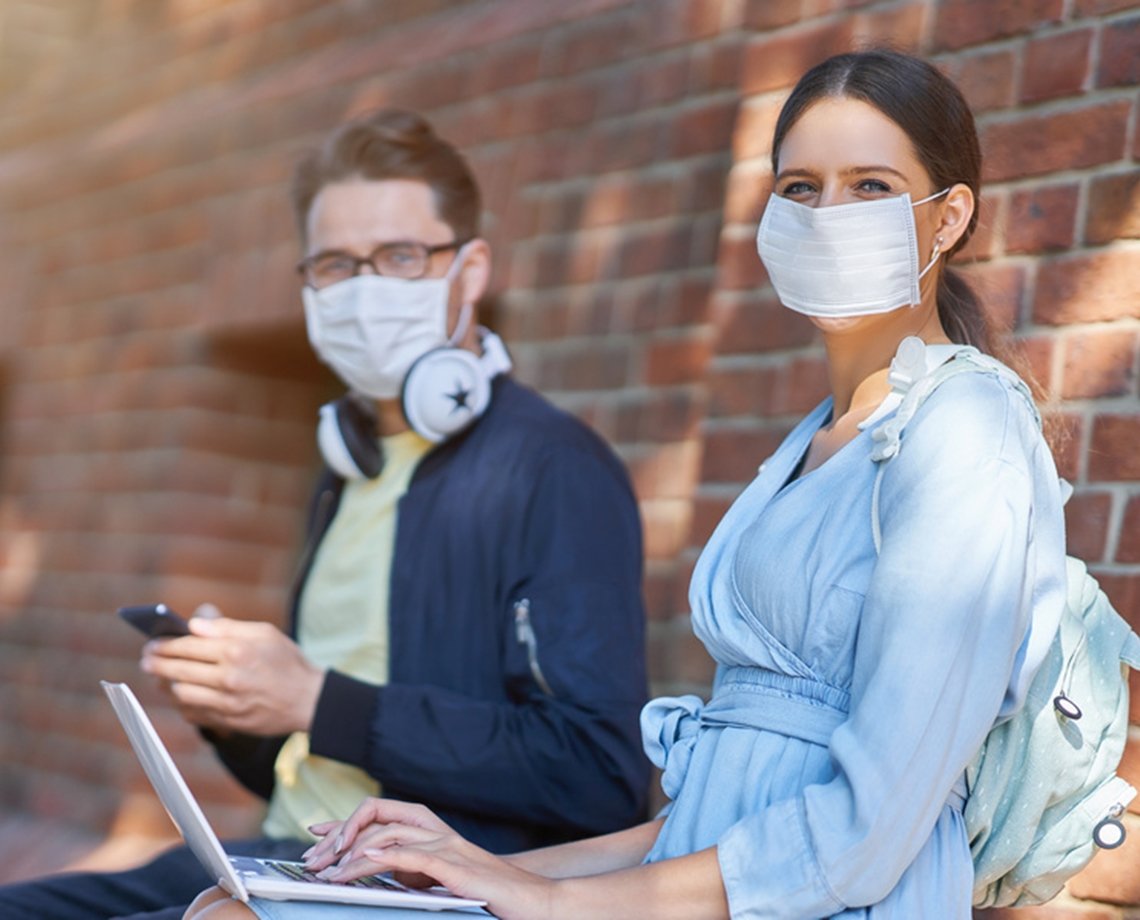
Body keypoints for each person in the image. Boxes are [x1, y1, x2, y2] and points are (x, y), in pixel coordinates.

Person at [185, 47, 1069, 920]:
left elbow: (865, 832)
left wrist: (557, 903)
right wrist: (473, 868)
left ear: (948, 218)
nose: (827, 213)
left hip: (821, 902)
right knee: (226, 909)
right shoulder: (813, 440)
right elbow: (706, 815)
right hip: (684, 884)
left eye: (869, 186)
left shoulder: (966, 429)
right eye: (800, 188)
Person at [0, 110, 650, 920]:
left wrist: (315, 698)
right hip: (288, 856)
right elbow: (323, 764)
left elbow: (595, 774)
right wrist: (238, 713)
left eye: (401, 257)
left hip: (421, 887)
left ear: (471, 270)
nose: (365, 287)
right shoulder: (346, 466)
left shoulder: (552, 469)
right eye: (336, 265)